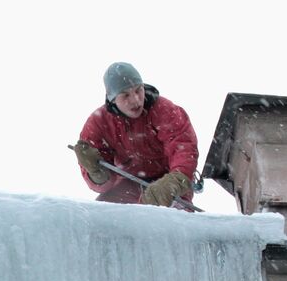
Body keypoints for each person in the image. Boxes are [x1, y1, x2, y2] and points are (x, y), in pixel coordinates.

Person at [74, 62, 198, 208]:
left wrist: (176, 180)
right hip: (129, 184)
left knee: (175, 221)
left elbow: (183, 146)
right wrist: (97, 174)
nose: (135, 100)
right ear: (112, 98)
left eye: (138, 90)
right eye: (125, 95)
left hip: (169, 180)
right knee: (103, 216)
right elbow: (103, 181)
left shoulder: (164, 110)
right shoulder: (98, 123)